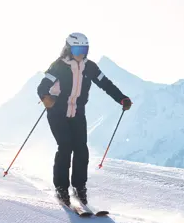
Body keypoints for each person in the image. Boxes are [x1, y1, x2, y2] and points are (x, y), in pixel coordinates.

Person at [37, 33, 132, 206]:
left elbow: (106, 85)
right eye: (78, 49)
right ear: (68, 48)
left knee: (81, 149)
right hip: (57, 112)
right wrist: (45, 97)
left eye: (85, 49)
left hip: (78, 113)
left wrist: (122, 98)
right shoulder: (58, 66)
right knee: (65, 146)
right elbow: (43, 85)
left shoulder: (91, 67)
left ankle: (79, 187)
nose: (81, 53)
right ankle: (61, 188)